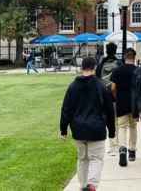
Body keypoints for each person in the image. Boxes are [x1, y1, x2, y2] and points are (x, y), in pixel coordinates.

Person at [60, 57, 116, 191]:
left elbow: (66, 108)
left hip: (79, 128)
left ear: (81, 68)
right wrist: (112, 131)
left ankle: (83, 185)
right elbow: (109, 110)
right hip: (96, 129)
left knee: (83, 159)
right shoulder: (101, 86)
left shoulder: (73, 86)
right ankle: (91, 186)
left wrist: (64, 129)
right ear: (95, 68)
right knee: (96, 159)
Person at [111, 48, 138, 167]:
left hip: (121, 99)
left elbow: (112, 87)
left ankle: (122, 149)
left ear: (124, 56)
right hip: (134, 101)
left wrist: (117, 96)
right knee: (133, 126)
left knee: (122, 126)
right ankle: (132, 151)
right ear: (135, 57)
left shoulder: (117, 70)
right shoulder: (137, 70)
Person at [96, 42, 123, 156]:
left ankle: (111, 147)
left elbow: (97, 81)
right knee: (118, 122)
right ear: (116, 50)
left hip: (104, 98)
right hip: (117, 96)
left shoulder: (101, 65)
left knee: (109, 122)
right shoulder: (120, 64)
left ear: (106, 51)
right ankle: (118, 145)